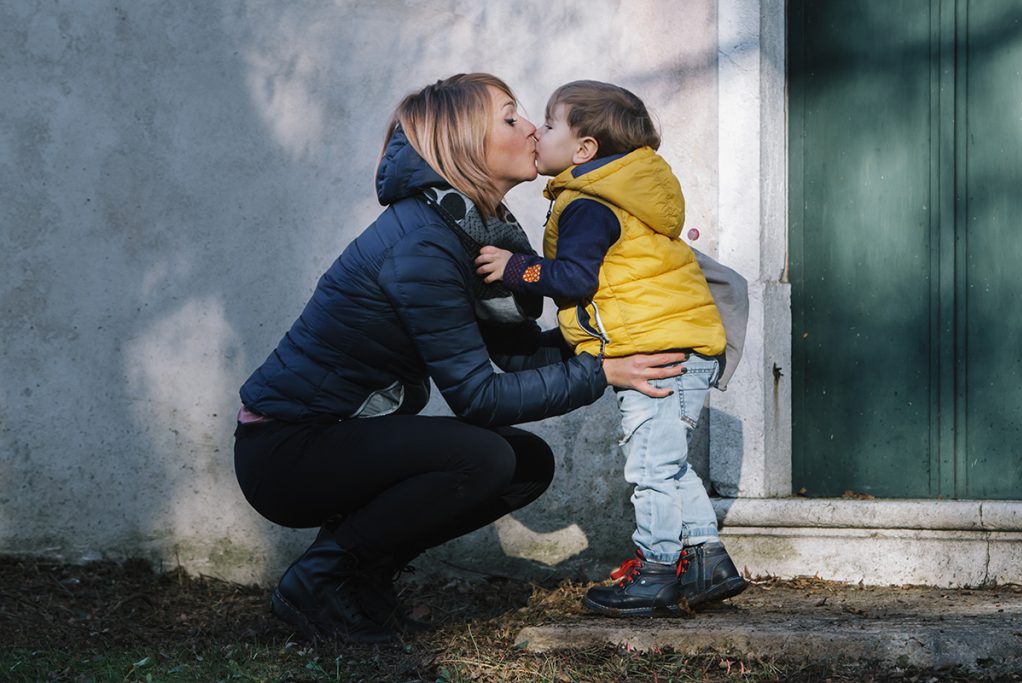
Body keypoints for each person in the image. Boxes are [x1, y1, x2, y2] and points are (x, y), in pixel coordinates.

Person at [233, 73, 690, 643]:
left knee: (525, 462)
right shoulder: (422, 244)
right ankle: (318, 581)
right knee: (483, 457)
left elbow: (518, 357)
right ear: (464, 144)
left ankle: (360, 582)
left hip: (333, 436)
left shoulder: (464, 229)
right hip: (286, 450)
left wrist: (618, 342)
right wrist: (602, 372)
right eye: (510, 118)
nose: (530, 129)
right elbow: (478, 398)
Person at [475, 80, 748, 617]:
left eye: (549, 124)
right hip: (682, 346)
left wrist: (517, 271)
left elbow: (575, 279)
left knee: (649, 468)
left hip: (655, 352)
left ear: (584, 150)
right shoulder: (630, 194)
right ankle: (706, 560)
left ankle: (653, 571)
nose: (537, 132)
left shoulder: (589, 204)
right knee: (668, 463)